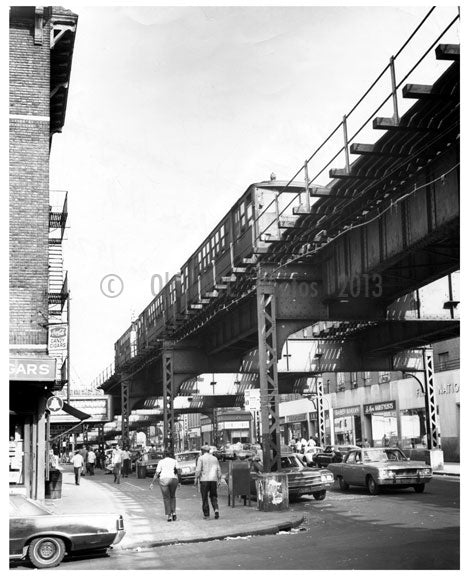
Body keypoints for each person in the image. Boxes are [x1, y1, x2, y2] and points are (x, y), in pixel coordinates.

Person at [150, 449, 179, 522]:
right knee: (173, 496)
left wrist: (152, 482)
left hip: (163, 480)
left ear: (164, 455)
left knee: (166, 498)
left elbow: (157, 473)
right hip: (173, 479)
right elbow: (178, 471)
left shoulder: (161, 462)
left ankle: (169, 516)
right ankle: (174, 513)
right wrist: (180, 482)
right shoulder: (174, 461)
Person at [195, 444, 222, 520]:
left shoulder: (201, 458)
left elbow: (198, 470)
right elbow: (219, 470)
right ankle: (216, 509)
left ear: (203, 451)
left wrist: (196, 478)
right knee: (213, 496)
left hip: (204, 480)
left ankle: (206, 514)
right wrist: (219, 479)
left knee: (205, 497)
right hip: (213, 480)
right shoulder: (215, 458)